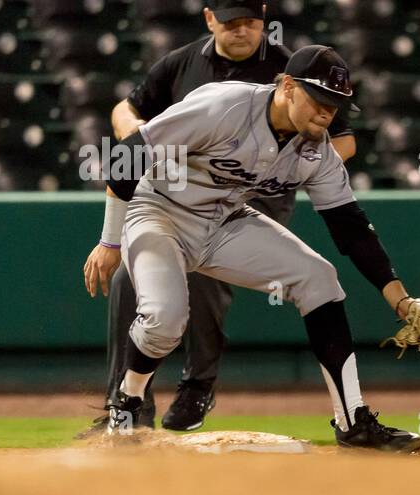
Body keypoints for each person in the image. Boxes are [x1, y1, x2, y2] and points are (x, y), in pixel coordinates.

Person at [88, 44, 420, 452]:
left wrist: (402, 303)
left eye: (335, 105)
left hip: (224, 221)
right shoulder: (225, 105)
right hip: (158, 211)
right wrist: (110, 241)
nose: (326, 112)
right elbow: (128, 154)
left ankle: (353, 421)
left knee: (319, 278)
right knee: (165, 320)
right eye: (319, 99)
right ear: (286, 85)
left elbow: (351, 229)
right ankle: (126, 406)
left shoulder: (316, 151)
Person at [80, 0, 356, 434]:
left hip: (256, 197)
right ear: (211, 19)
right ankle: (128, 404)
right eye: (231, 22)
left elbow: (338, 144)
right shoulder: (182, 62)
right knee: (131, 285)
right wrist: (142, 141)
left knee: (206, 281)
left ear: (264, 21)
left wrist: (285, 170)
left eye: (250, 22)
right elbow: (127, 113)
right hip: (173, 195)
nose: (241, 30)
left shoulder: (293, 70)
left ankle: (197, 385)